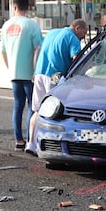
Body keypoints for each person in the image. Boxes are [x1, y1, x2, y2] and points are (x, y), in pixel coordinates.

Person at [25, 19, 88, 154]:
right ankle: (50, 145)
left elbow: (39, 50)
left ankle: (31, 144)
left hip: (40, 74)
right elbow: (76, 58)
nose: (84, 36)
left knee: (37, 111)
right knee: (53, 112)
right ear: (78, 28)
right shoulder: (73, 38)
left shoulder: (52, 32)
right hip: (54, 77)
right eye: (84, 32)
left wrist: (34, 71)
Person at [1, 0, 42, 151]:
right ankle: (30, 138)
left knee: (17, 106)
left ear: (14, 7)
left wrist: (10, 68)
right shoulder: (31, 25)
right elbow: (38, 48)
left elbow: (3, 51)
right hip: (29, 73)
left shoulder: (6, 25)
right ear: (28, 8)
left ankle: (19, 139)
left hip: (14, 73)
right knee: (33, 106)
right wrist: (35, 70)